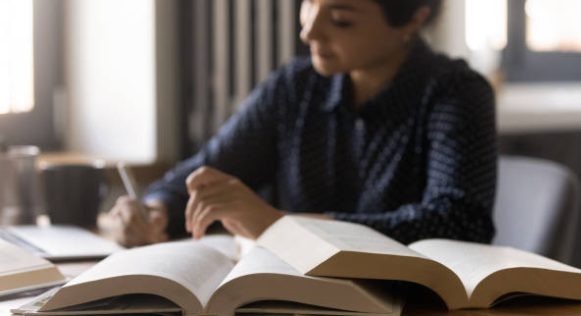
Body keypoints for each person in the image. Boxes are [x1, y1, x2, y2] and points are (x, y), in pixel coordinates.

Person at [107, 0, 497, 247]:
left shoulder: (456, 93)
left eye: (341, 18)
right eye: (309, 2)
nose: (308, 30)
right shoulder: (294, 87)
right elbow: (207, 169)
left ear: (413, 19)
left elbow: (459, 221)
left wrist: (283, 227)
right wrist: (153, 210)